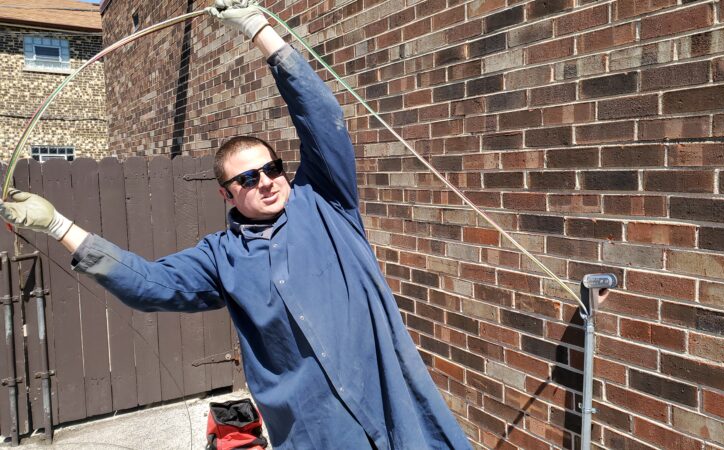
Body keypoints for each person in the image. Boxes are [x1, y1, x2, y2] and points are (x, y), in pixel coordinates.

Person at [0, 1, 471, 449]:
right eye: (247, 178)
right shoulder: (219, 256)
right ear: (226, 193)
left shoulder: (326, 201)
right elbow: (149, 284)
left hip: (395, 405)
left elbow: (322, 119)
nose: (266, 182)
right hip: (316, 427)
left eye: (273, 168)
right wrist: (58, 224)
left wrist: (259, 31)